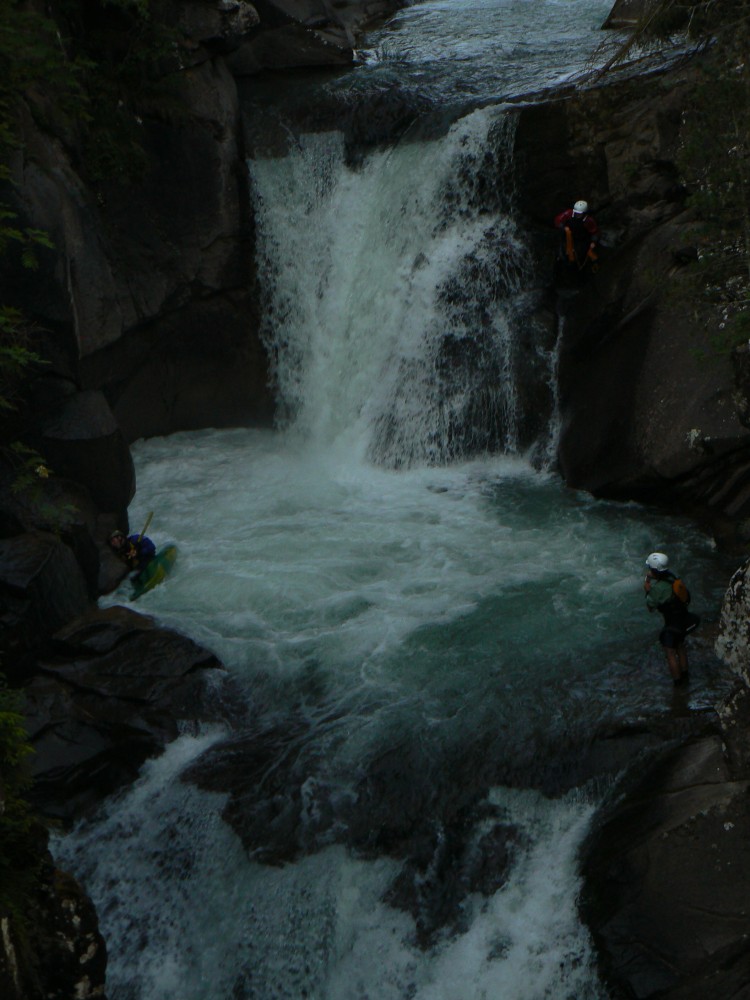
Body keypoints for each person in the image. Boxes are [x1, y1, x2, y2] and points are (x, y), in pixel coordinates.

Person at [643, 552, 700, 685]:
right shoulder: (673, 577)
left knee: (670, 652)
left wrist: (647, 589)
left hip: (672, 624)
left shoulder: (657, 589)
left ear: (654, 570)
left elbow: (650, 607)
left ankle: (678, 684)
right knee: (680, 645)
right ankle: (685, 676)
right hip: (683, 618)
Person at [554, 199, 600, 277]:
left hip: (581, 241)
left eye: (580, 214)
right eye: (576, 213)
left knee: (580, 256)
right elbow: (557, 220)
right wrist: (563, 227)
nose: (577, 215)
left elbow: (595, 232)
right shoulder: (569, 214)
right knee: (560, 256)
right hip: (567, 238)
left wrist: (593, 242)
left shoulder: (588, 221)